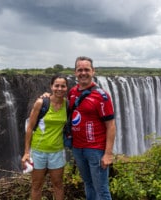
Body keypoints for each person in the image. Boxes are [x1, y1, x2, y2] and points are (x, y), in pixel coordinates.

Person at [70, 56, 116, 200]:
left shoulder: (102, 96)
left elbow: (111, 126)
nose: (83, 73)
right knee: (88, 184)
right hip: (77, 148)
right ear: (75, 72)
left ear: (93, 71)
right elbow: (56, 100)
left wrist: (108, 154)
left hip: (95, 149)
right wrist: (45, 96)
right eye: (80, 70)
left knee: (101, 189)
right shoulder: (72, 92)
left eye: (86, 70)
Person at [21, 74, 68, 200]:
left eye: (62, 86)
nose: (59, 88)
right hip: (38, 151)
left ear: (66, 88)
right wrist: (26, 152)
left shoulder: (67, 105)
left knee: (58, 185)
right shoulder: (41, 103)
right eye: (56, 85)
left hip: (57, 151)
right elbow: (30, 128)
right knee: (37, 185)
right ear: (51, 87)